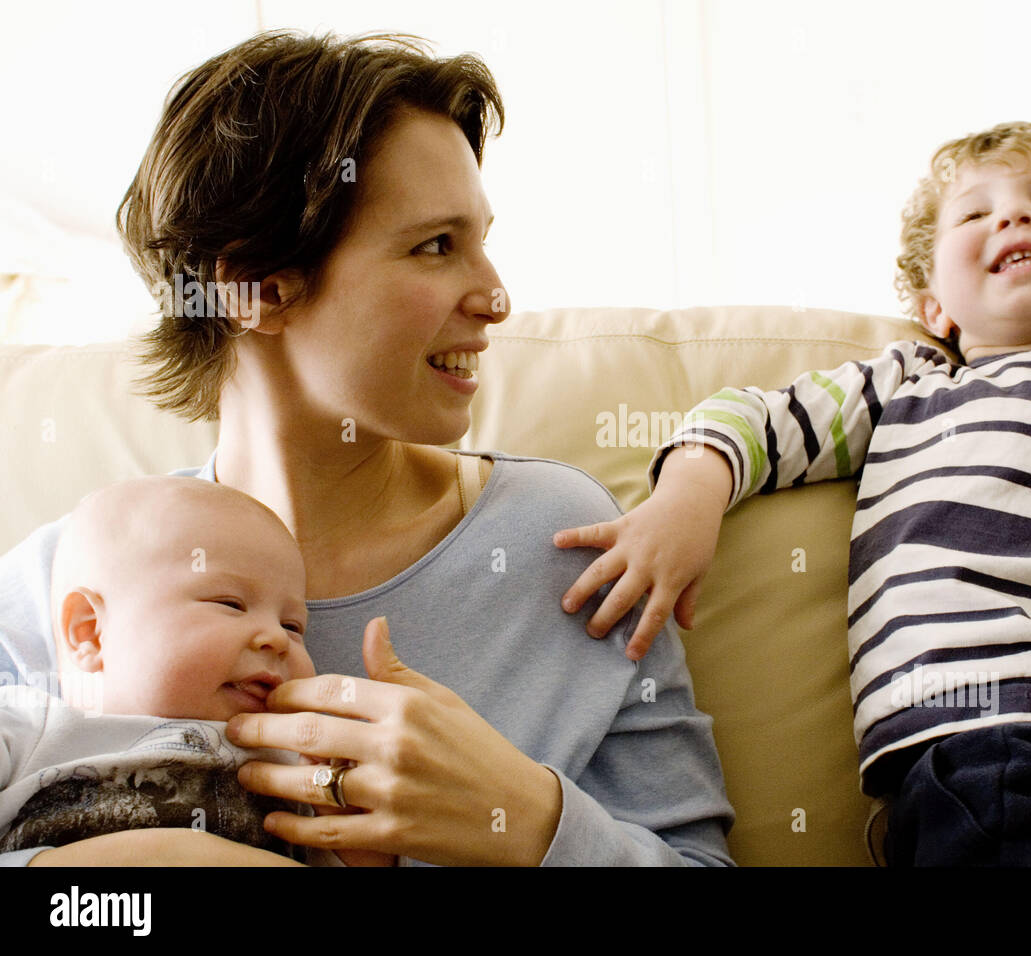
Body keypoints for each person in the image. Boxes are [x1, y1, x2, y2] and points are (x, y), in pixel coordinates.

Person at [0, 30, 733, 866]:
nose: (495, 297)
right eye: (435, 246)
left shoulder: (569, 551)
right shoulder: (75, 582)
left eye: (481, 241)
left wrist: (528, 820)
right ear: (258, 290)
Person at [555, 122, 1031, 865]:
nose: (1013, 214)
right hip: (922, 776)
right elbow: (754, 417)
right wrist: (688, 495)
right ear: (935, 306)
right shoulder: (907, 383)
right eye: (976, 213)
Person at [1, 477, 316, 864]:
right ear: (90, 632)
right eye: (230, 603)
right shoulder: (28, 726)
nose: (276, 638)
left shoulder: (294, 765)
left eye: (293, 626)